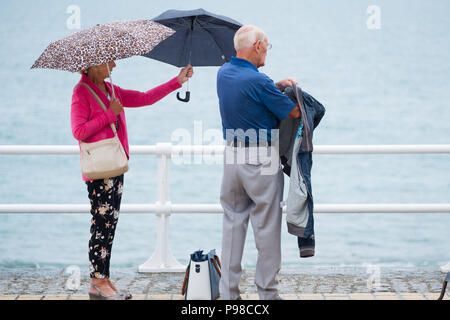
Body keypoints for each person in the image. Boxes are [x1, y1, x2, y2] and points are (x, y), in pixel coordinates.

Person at [71, 61, 193, 300]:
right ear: (94, 65)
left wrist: (177, 82)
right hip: (99, 169)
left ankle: (103, 279)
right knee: (101, 225)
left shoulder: (109, 89)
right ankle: (97, 282)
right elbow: (79, 131)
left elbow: (145, 98)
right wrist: (110, 114)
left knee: (110, 224)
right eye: (109, 61)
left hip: (115, 166)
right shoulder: (81, 91)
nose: (114, 64)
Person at [216, 25, 301, 300]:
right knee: (266, 228)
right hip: (261, 157)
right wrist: (290, 90)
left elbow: (248, 94)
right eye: (267, 45)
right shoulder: (259, 81)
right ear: (256, 47)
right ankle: (267, 293)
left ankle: (228, 294)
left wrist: (273, 87)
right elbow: (294, 112)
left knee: (232, 226)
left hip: (232, 156)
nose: (267, 50)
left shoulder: (223, 74)